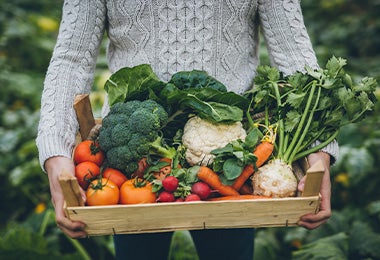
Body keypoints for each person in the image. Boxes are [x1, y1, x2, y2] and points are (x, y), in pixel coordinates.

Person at [36, 1, 339, 259]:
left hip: (233, 161)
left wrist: (318, 152)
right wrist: (56, 155)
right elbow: (71, 60)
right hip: (134, 161)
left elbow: (294, 52)